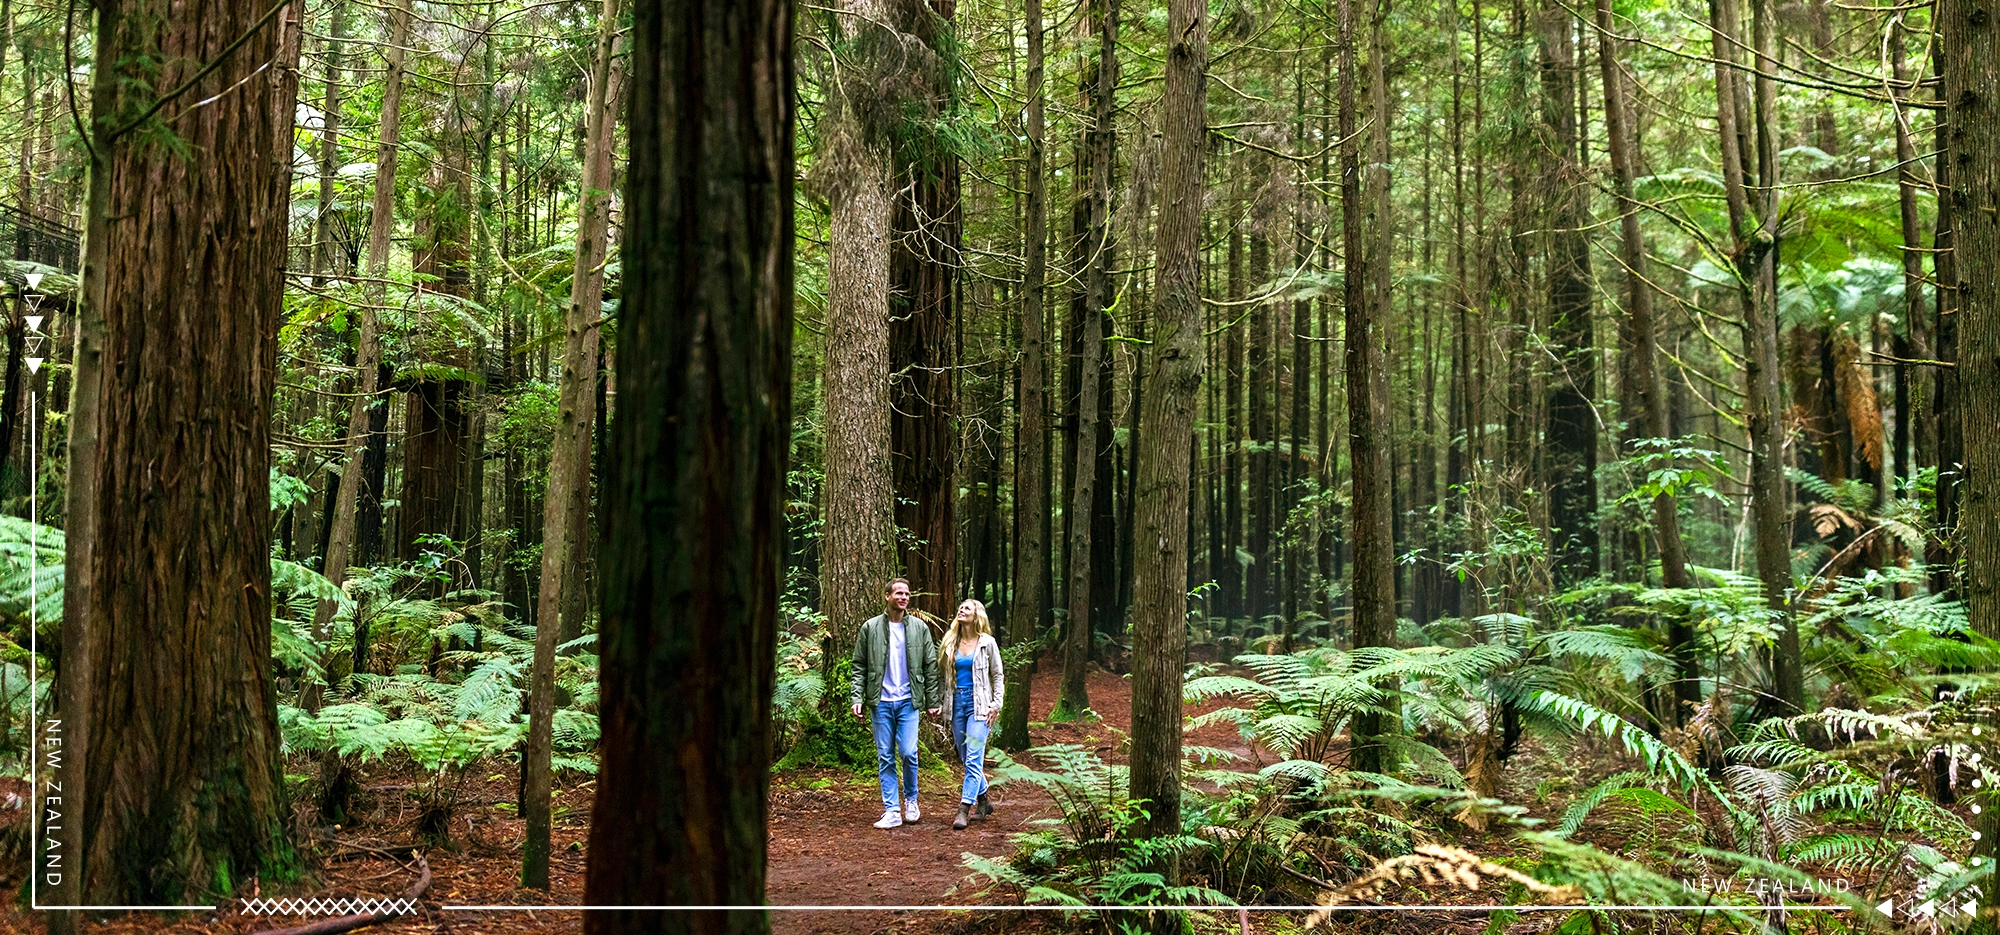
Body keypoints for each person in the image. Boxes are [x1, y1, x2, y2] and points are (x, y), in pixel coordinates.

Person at [849, 578, 938, 829]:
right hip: (881, 702)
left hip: (909, 701)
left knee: (909, 752)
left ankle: (911, 800)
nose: (904, 597)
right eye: (898, 593)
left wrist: (932, 700)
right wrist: (857, 697)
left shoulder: (919, 628)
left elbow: (930, 666)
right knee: (885, 756)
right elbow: (859, 666)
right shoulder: (870, 627)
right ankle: (891, 810)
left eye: (907, 594)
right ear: (887, 596)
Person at [936, 598, 1004, 830]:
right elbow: (941, 678)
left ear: (977, 615)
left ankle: (964, 809)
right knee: (967, 758)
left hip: (979, 705)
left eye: (967, 608)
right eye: (960, 607)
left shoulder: (987, 643)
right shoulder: (950, 642)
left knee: (974, 758)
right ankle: (984, 800)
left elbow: (997, 675)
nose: (961, 610)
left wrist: (996, 705)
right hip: (955, 703)